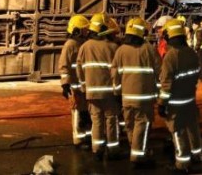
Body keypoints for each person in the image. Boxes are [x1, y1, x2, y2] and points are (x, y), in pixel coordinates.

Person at [111, 17, 161, 167]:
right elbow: (160, 71)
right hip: (144, 98)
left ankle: (136, 149)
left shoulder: (120, 51)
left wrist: (117, 93)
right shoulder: (149, 49)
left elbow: (115, 74)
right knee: (142, 125)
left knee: (130, 125)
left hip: (126, 98)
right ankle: (139, 156)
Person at [158, 19, 202, 172]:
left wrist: (162, 103)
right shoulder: (191, 53)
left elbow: (166, 83)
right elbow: (197, 74)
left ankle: (182, 163)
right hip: (189, 98)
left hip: (175, 102)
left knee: (178, 131)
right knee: (192, 128)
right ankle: (197, 155)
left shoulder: (171, 56)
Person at [76, 13, 121, 160]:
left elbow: (79, 69)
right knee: (111, 121)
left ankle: (97, 150)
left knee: (96, 121)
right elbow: (117, 71)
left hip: (92, 93)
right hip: (110, 93)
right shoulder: (114, 47)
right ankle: (113, 150)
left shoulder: (84, 47)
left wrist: (84, 88)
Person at [59, 14, 91, 148]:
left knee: (86, 112)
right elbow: (63, 65)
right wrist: (65, 84)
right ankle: (78, 140)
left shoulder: (82, 44)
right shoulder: (70, 45)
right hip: (75, 86)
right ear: (76, 30)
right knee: (78, 112)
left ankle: (87, 136)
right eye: (84, 29)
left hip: (83, 85)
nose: (87, 32)